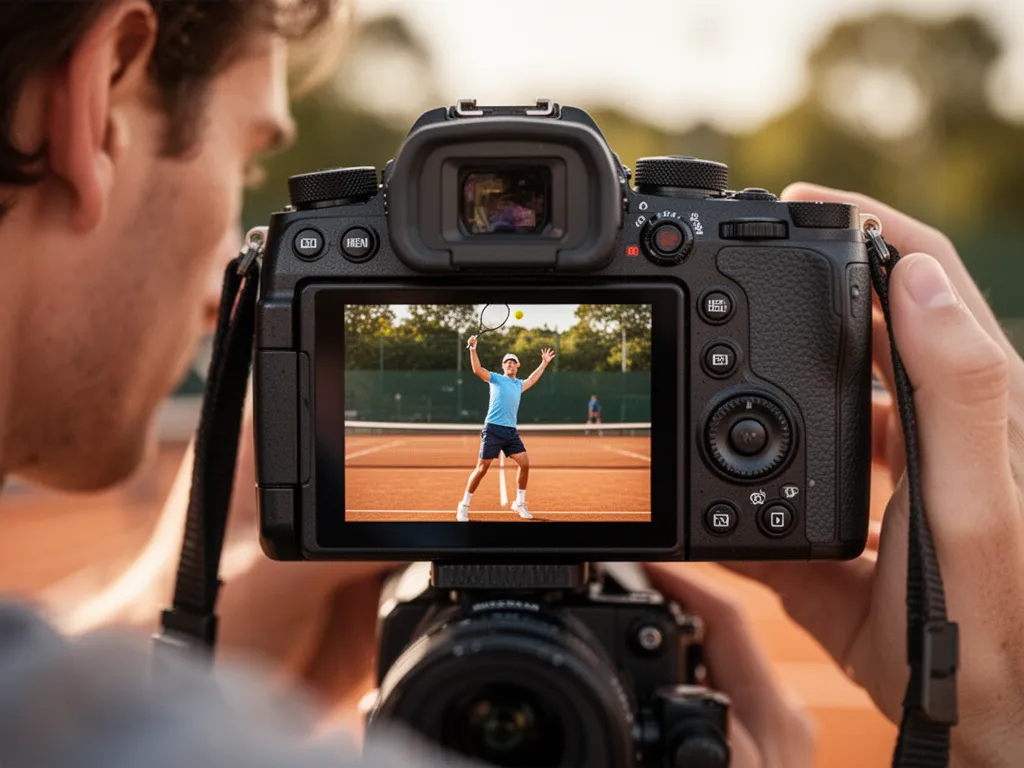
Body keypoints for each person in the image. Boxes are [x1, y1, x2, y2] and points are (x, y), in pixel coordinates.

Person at [456, 338, 555, 521]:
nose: (510, 364)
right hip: (493, 429)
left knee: (524, 463)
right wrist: (473, 349)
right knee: (482, 468)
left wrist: (544, 363)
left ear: (517, 366)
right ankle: (464, 505)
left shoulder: (519, 385)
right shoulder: (496, 378)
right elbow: (477, 370)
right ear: (503, 366)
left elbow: (532, 379)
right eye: (507, 362)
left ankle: (519, 502)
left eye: (513, 362)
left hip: (510, 432)